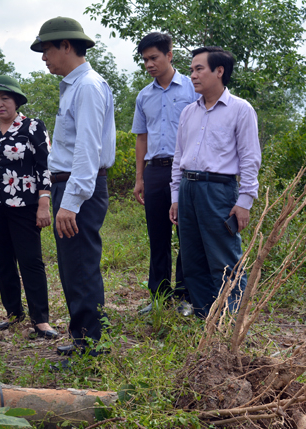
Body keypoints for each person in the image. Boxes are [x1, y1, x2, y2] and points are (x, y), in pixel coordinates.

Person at [30, 17, 116, 363]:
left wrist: (73, 202)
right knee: (72, 265)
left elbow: (88, 148)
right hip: (69, 185)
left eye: (47, 49)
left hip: (80, 187)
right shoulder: (75, 87)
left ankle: (91, 345)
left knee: (81, 265)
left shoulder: (88, 87)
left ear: (66, 45)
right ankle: (83, 335)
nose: (43, 57)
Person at [169, 46, 261, 319]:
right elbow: (178, 157)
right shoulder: (188, 112)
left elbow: (250, 158)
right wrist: (175, 197)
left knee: (224, 259)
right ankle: (203, 317)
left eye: (199, 69)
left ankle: (230, 322)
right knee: (192, 259)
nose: (193, 75)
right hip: (188, 189)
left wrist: (244, 201)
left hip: (219, 190)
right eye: (192, 69)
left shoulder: (240, 110)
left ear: (219, 71)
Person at [0, 75, 58, 339]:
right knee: (2, 261)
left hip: (24, 204)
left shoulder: (33, 127)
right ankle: (14, 314)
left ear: (16, 100)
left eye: (5, 98)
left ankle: (40, 319)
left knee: (30, 260)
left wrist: (43, 203)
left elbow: (44, 167)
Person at [131, 32, 200, 317]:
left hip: (184, 170)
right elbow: (141, 139)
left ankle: (186, 295)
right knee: (157, 234)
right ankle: (159, 295)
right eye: (145, 59)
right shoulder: (144, 96)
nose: (149, 64)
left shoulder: (191, 88)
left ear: (170, 55)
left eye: (154, 57)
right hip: (156, 171)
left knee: (187, 233)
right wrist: (139, 178)